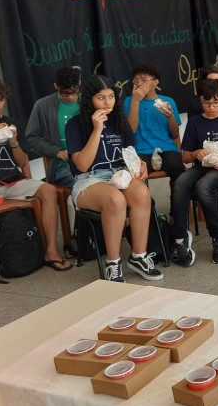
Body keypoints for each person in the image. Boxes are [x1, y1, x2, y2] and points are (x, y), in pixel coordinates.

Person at [0, 77, 70, 287]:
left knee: (48, 191)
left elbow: (22, 162)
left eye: (1, 99)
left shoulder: (12, 123)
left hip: (12, 181)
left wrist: (13, 141)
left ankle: (51, 250)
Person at [66, 75, 161, 282]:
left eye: (111, 96)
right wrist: (97, 130)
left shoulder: (119, 120)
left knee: (142, 193)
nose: (107, 102)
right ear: (89, 99)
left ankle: (139, 256)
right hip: (89, 179)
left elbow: (130, 153)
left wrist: (140, 164)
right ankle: (113, 263)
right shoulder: (75, 124)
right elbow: (82, 165)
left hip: (119, 173)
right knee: (115, 200)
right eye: (101, 98)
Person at [169, 79, 218, 266]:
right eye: (207, 103)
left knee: (204, 186)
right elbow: (185, 157)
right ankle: (180, 238)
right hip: (202, 167)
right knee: (180, 183)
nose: (212, 107)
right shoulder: (195, 122)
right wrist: (196, 153)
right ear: (200, 100)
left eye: (216, 102)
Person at [124, 64, 184, 191]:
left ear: (155, 82)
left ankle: (178, 204)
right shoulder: (129, 101)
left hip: (166, 148)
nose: (139, 84)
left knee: (178, 169)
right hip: (140, 151)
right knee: (137, 174)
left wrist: (170, 117)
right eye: (136, 80)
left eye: (144, 80)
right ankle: (147, 204)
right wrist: (135, 101)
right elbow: (131, 130)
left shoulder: (168, 102)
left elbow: (175, 134)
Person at [24, 66, 81, 189]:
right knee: (83, 185)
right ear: (56, 86)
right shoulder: (43, 106)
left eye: (74, 92)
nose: (70, 97)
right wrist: (56, 152)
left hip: (89, 161)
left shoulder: (88, 102)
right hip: (62, 165)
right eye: (65, 93)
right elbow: (31, 139)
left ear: (79, 84)